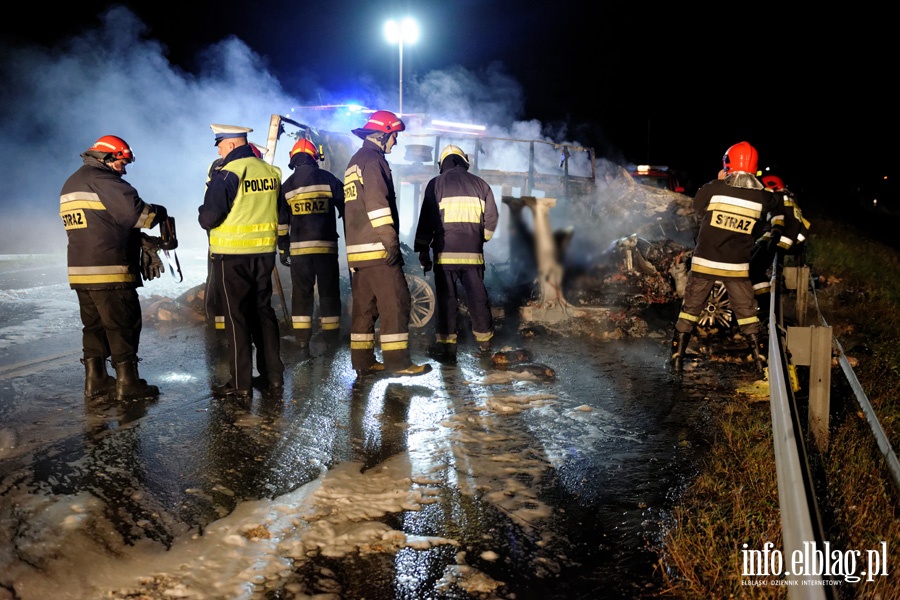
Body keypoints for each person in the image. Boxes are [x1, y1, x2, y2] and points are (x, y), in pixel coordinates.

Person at [59, 135, 169, 401]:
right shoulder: (105, 181)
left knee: (94, 327)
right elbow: (139, 215)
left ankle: (95, 382)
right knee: (123, 325)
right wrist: (161, 212)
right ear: (107, 158)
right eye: (122, 162)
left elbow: (102, 224)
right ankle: (128, 384)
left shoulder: (72, 182)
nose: (125, 168)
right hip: (110, 269)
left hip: (81, 271)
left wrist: (136, 240)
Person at [669, 141, 785, 373]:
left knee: (690, 310)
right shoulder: (762, 198)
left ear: (728, 164)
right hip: (737, 268)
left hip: (705, 264)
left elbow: (698, 208)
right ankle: (759, 360)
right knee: (747, 314)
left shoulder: (713, 188)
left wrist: (721, 181)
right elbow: (776, 201)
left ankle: (676, 358)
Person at [342, 110, 431, 378]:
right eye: (394, 137)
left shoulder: (355, 161)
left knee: (365, 309)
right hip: (377, 249)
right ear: (383, 135)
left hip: (358, 253)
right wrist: (391, 243)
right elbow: (378, 206)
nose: (396, 143)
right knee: (397, 302)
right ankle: (397, 362)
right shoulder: (373, 161)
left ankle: (363, 362)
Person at [199, 124, 284, 399]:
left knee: (237, 318)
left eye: (221, 146)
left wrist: (203, 205)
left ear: (232, 145)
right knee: (263, 313)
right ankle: (273, 377)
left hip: (231, 256)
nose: (220, 152)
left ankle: (240, 384)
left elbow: (209, 218)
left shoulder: (228, 174)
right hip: (263, 255)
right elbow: (281, 213)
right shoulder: (271, 172)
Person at [413, 144, 499, 361]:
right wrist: (483, 238)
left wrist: (423, 251)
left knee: (446, 301)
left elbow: (426, 222)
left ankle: (447, 347)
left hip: (445, 256)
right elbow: (492, 218)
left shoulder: (436, 184)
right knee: (478, 299)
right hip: (473, 256)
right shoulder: (481, 184)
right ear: (464, 161)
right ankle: (485, 344)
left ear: (442, 163)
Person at [277, 138, 346, 355]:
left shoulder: (287, 186)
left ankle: (302, 341)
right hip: (326, 250)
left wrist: (282, 249)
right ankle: (331, 340)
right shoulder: (327, 179)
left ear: (293, 159)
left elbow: (281, 224)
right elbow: (346, 205)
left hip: (300, 253)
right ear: (314, 157)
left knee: (301, 294)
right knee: (329, 293)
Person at [750, 173, 812, 318]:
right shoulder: (790, 200)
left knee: (754, 270)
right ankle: (767, 306)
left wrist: (773, 241)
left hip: (776, 242)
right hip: (785, 243)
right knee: (757, 268)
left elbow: (777, 222)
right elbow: (803, 226)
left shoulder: (777, 199)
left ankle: (765, 306)